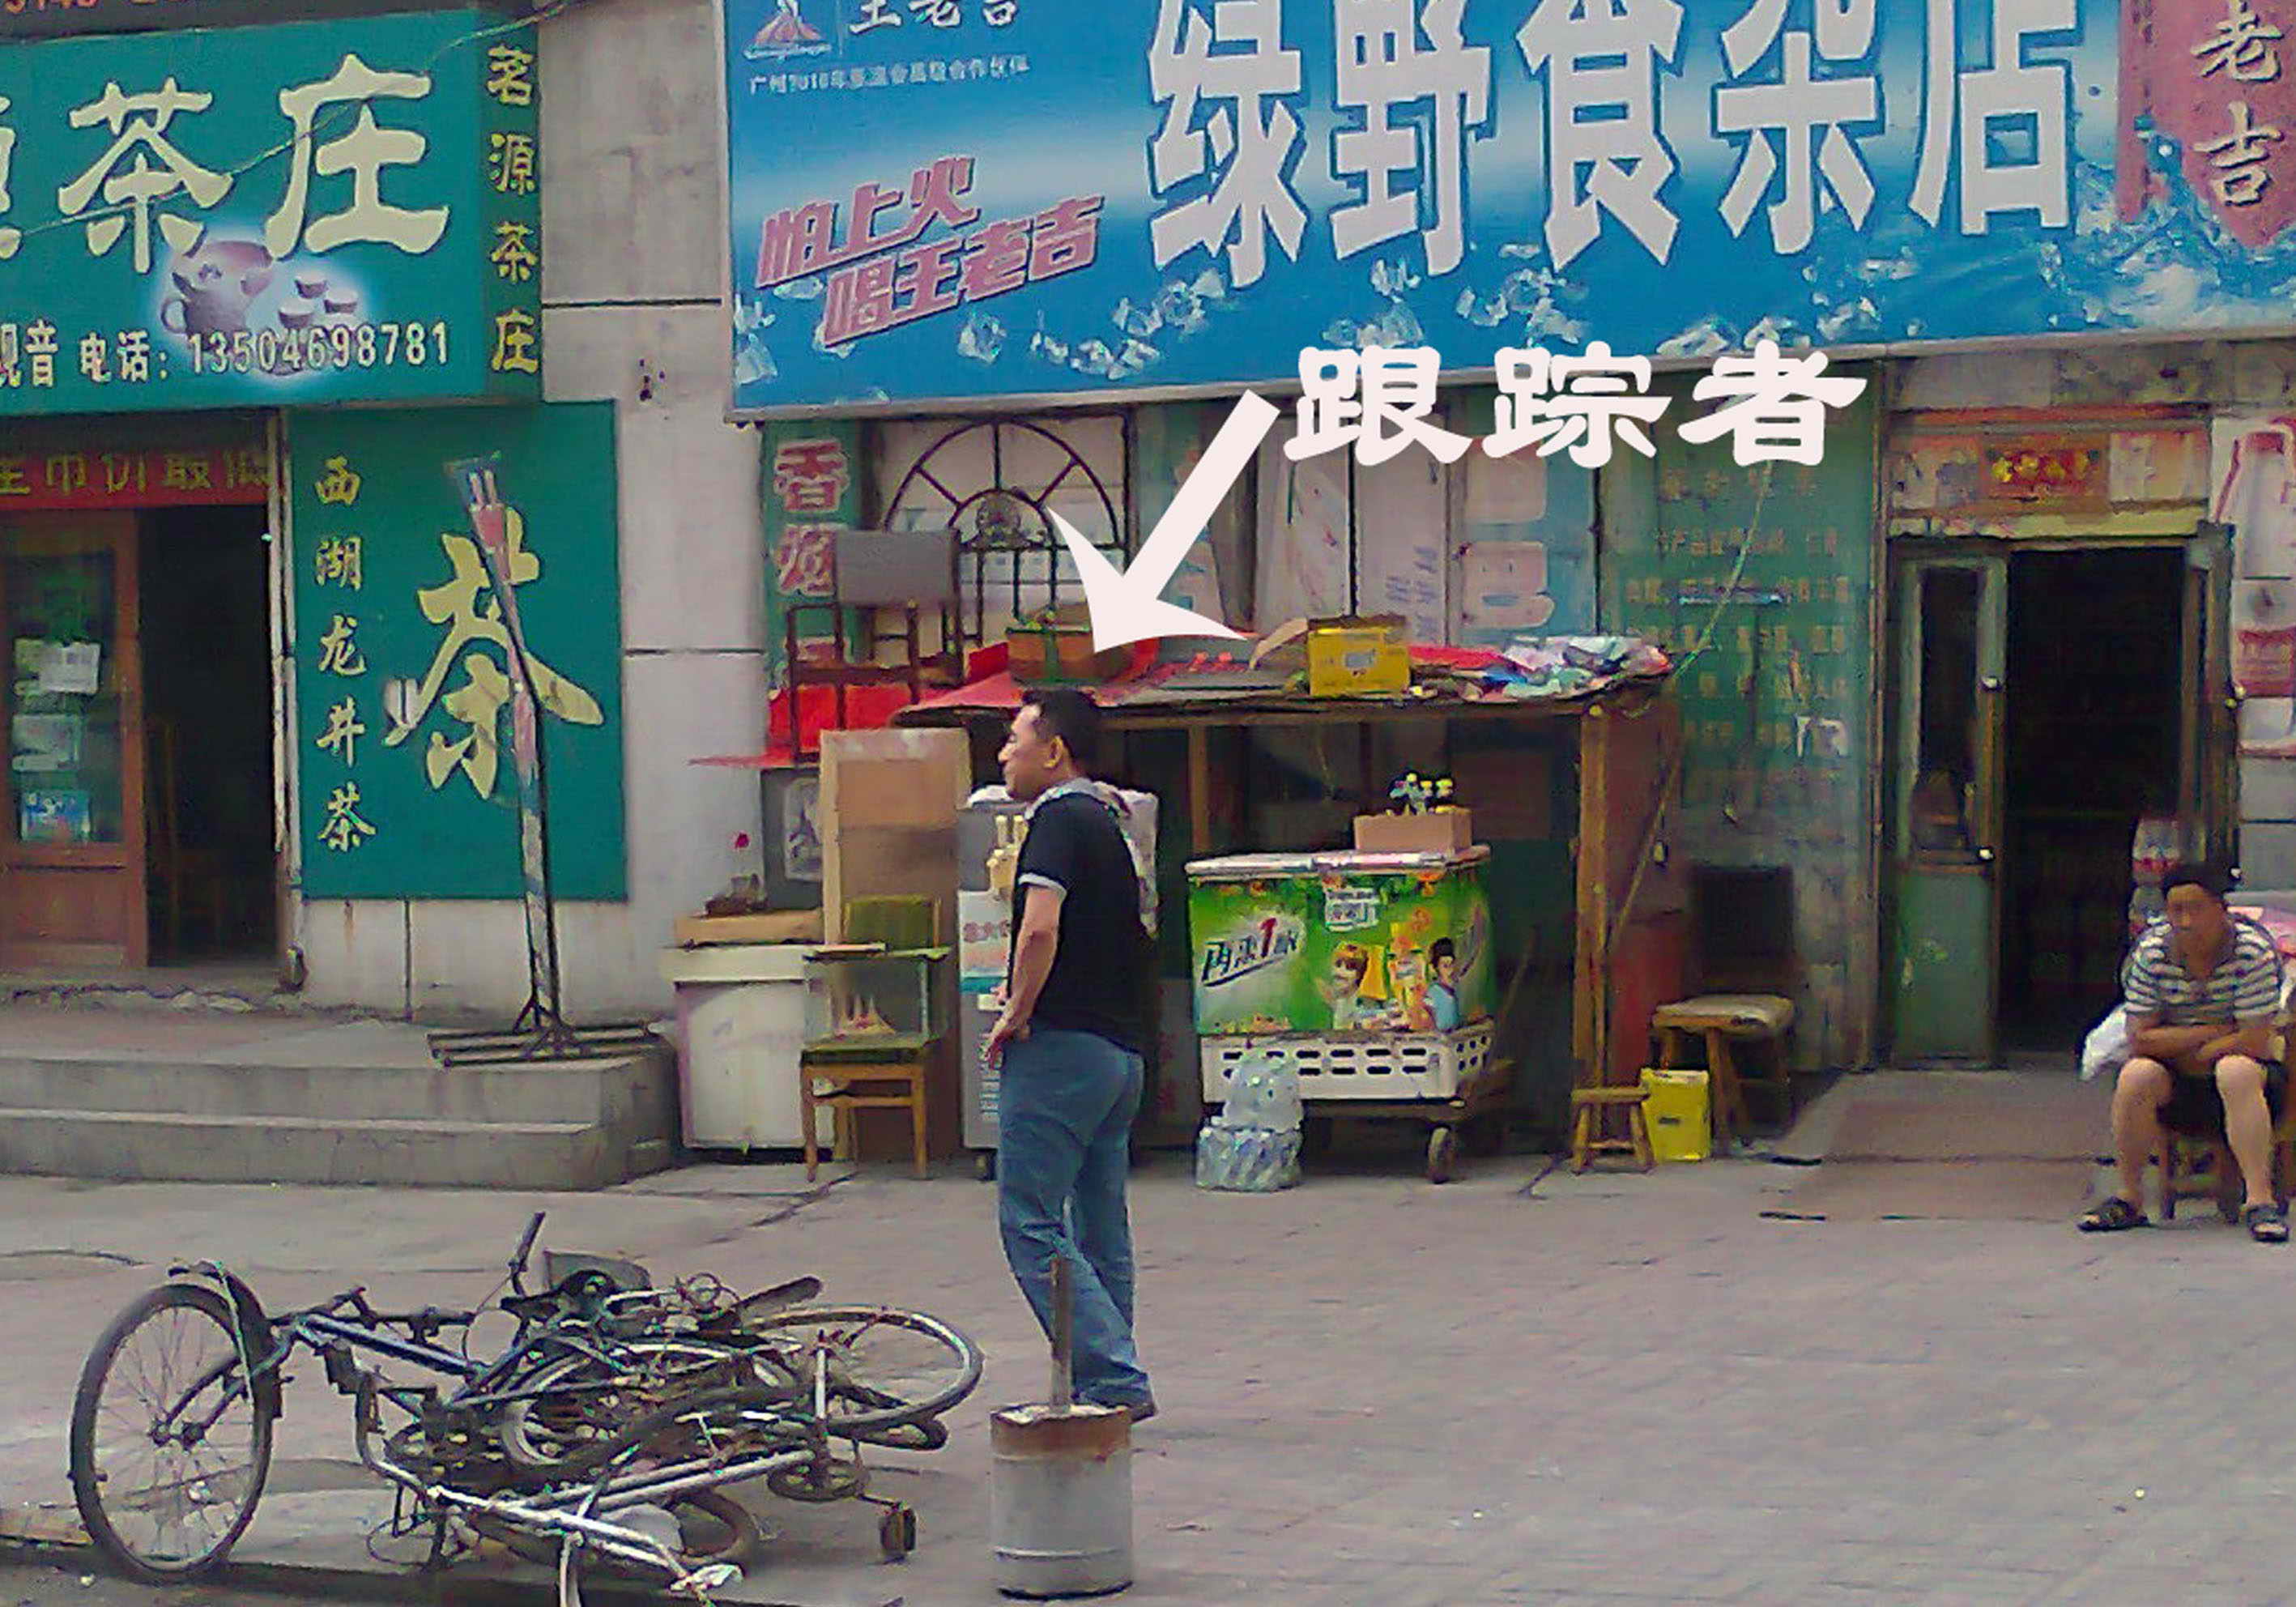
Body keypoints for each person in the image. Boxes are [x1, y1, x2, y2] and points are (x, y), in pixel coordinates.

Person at [984, 688, 1157, 1420]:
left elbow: (1038, 929)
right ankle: (1107, 1379)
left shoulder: (1056, 818)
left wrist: (1015, 1011)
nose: (1003, 755)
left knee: (1028, 1218)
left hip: (1060, 1051)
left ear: (1054, 751)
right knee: (1098, 1222)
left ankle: (1111, 1376)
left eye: (1014, 739)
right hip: (1119, 1054)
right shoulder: (1113, 823)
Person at [2079, 862, 2290, 1243]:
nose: (2187, 922)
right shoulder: (2152, 953)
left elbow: (2255, 1040)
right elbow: (2141, 1038)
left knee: (2236, 1071)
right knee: (2135, 1075)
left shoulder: (2252, 951)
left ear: (2221, 909)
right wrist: (2215, 1033)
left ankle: (2260, 1202)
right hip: (2174, 1077)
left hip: (2248, 1080)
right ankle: (2129, 1198)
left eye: (2197, 909)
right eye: (2177, 911)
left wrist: (2201, 1049)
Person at [1426, 938, 1462, 1032]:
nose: (1450, 969)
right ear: (1436, 967)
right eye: (1445, 966)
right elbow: (1428, 1017)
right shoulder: (1433, 992)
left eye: (1452, 964)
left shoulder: (1455, 988)